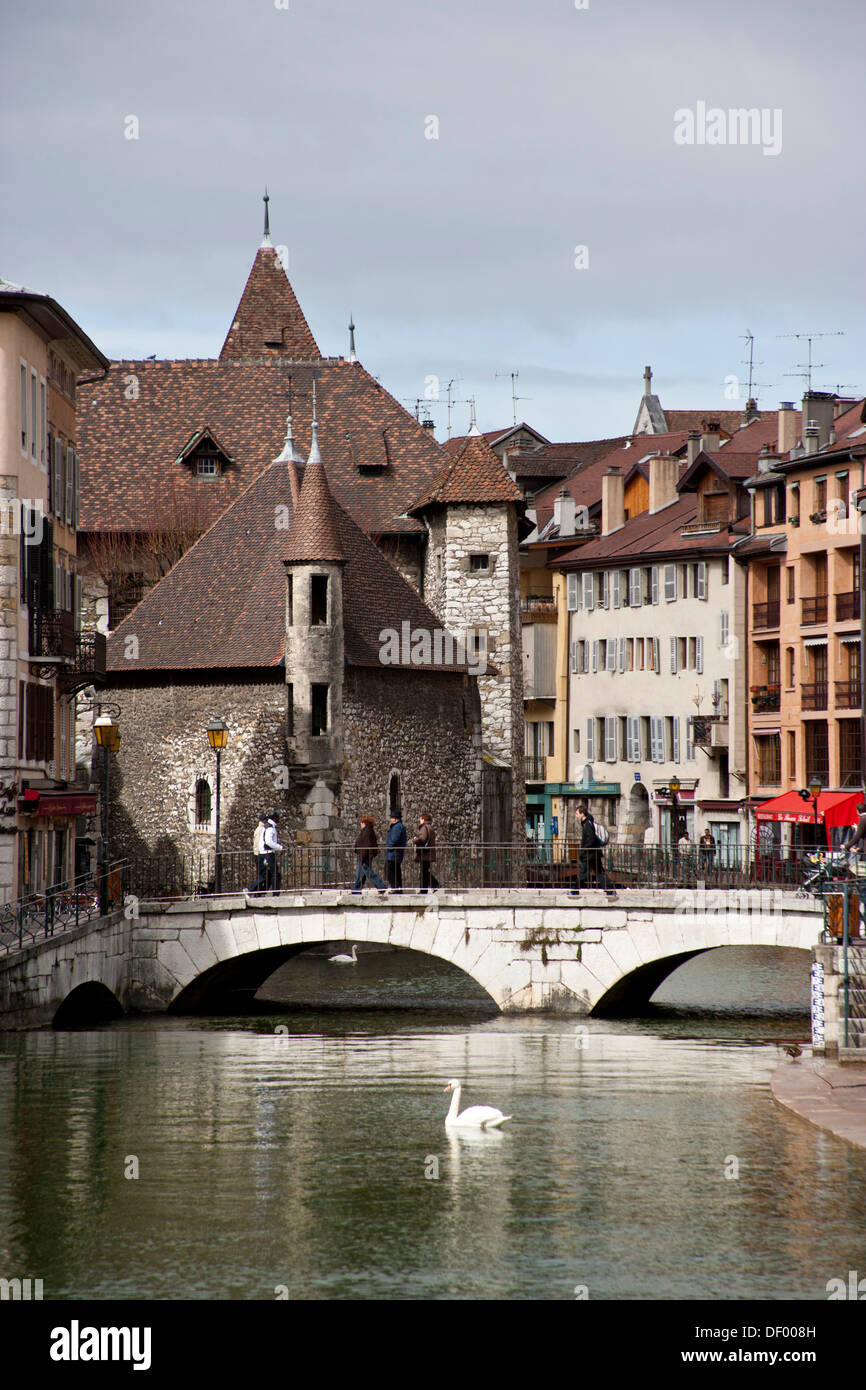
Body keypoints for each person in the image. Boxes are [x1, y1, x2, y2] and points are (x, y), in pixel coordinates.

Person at [569, 803, 616, 896]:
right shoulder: (588, 822)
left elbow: (590, 839)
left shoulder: (587, 824)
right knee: (599, 872)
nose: (576, 816)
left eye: (577, 813)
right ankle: (609, 889)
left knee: (583, 873)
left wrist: (583, 851)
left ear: (582, 814)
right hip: (594, 853)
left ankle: (574, 890)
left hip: (589, 854)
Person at [353, 815, 387, 892]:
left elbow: (366, 844)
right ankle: (356, 889)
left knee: (368, 872)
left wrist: (363, 855)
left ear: (365, 823)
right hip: (363, 855)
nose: (360, 823)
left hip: (364, 856)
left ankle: (381, 886)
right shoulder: (367, 830)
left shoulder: (367, 831)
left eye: (361, 822)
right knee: (361, 874)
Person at [413, 812, 439, 891]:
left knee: (424, 872)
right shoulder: (430, 827)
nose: (419, 820)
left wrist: (415, 839)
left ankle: (434, 884)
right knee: (424, 872)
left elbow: (423, 839)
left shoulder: (424, 828)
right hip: (428, 853)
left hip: (424, 853)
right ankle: (424, 889)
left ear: (423, 819)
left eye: (420, 819)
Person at [385, 810, 407, 891]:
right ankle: (398, 887)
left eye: (391, 817)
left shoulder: (397, 827)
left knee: (391, 871)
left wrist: (388, 846)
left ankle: (395, 887)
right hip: (396, 853)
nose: (390, 819)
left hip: (394, 853)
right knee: (396, 871)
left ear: (395, 819)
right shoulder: (399, 826)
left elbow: (394, 839)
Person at [263, 812, 283, 892]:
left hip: (268, 852)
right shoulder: (270, 828)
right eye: (278, 817)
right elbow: (268, 842)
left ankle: (259, 892)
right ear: (275, 818)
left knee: (270, 874)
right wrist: (280, 848)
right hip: (269, 853)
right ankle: (275, 893)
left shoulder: (269, 826)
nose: (279, 819)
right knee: (275, 874)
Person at [249, 813, 268, 893]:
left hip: (259, 855)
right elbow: (259, 844)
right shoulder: (260, 830)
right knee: (264, 875)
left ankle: (258, 892)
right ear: (263, 820)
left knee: (262, 874)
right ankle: (251, 889)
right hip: (260, 855)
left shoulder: (260, 829)